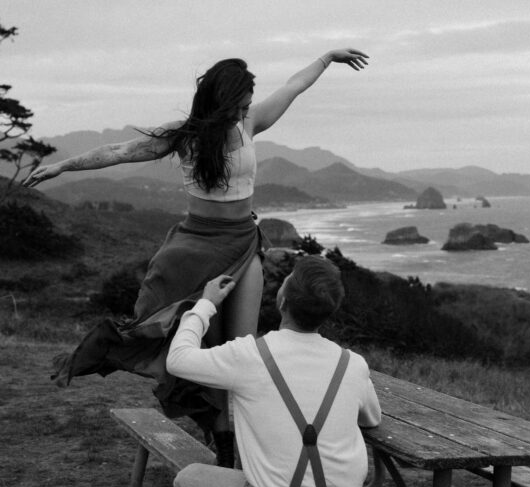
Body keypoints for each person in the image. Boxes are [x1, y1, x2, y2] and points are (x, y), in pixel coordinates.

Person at [23, 49, 369, 465]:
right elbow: (119, 151)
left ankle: (237, 444)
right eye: (239, 105)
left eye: (247, 104)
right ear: (221, 101)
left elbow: (293, 86)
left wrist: (326, 59)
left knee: (240, 348)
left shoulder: (249, 124)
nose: (245, 111)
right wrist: (62, 166)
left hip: (242, 244)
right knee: (175, 334)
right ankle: (224, 444)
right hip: (194, 249)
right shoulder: (184, 136)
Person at [165, 255, 382, 487]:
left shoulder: (250, 355)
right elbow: (372, 419)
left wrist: (206, 304)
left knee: (187, 480)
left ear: (282, 299)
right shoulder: (352, 364)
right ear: (329, 310)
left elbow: (178, 359)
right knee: (326, 481)